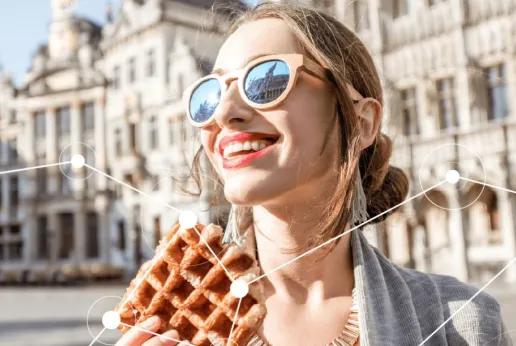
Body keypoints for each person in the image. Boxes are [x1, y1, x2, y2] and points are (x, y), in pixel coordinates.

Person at [115, 2, 512, 346]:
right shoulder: (170, 327)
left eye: (265, 81)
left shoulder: (463, 324)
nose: (224, 113)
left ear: (361, 121)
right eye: (208, 95)